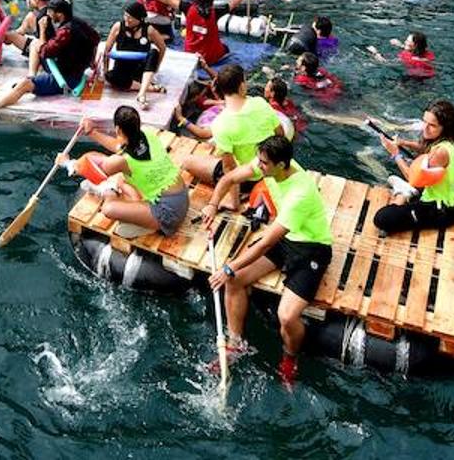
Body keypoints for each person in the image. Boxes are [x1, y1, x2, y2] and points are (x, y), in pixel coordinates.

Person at [205, 135, 332, 384]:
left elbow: (266, 243)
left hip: (311, 250)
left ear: (281, 165)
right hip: (287, 239)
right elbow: (230, 178)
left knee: (287, 317)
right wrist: (211, 204)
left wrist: (229, 267)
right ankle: (235, 344)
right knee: (236, 281)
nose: (259, 167)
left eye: (264, 164)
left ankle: (290, 357)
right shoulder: (270, 165)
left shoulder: (300, 192)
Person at [0, 0, 98, 121]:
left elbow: (44, 52)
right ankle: (32, 76)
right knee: (33, 44)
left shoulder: (65, 32)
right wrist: (92, 61)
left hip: (66, 78)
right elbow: (95, 38)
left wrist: (43, 29)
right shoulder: (78, 23)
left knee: (24, 85)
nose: (49, 16)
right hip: (73, 69)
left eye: (51, 13)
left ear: (60, 14)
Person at [60, 109, 188, 235]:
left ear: (118, 130)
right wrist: (92, 132)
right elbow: (118, 145)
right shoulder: (148, 134)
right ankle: (143, 215)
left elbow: (90, 173)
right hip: (182, 196)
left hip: (168, 214)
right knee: (120, 175)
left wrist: (67, 163)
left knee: (108, 209)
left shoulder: (122, 161)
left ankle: (109, 190)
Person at [180, 64, 285, 207]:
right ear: (242, 85)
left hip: (247, 180)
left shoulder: (221, 123)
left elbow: (229, 169)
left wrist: (233, 202)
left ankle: (235, 199)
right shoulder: (261, 103)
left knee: (187, 161)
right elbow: (280, 134)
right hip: (269, 170)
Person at [372, 100, 454, 233]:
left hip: (443, 212)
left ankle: (403, 193)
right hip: (452, 200)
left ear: (445, 127)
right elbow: (425, 149)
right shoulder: (451, 142)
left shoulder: (441, 152)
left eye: (432, 125)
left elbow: (414, 180)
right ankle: (408, 193)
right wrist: (403, 143)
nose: (425, 128)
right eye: (425, 122)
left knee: (382, 218)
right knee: (413, 170)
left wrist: (395, 154)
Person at [100, 2, 167, 108]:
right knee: (110, 76)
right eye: (125, 15)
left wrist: (156, 67)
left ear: (139, 19)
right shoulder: (118, 27)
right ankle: (150, 88)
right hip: (122, 69)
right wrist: (105, 70)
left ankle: (142, 94)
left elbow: (162, 47)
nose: (127, 19)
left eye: (130, 17)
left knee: (153, 52)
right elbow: (107, 50)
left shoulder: (149, 30)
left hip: (141, 70)